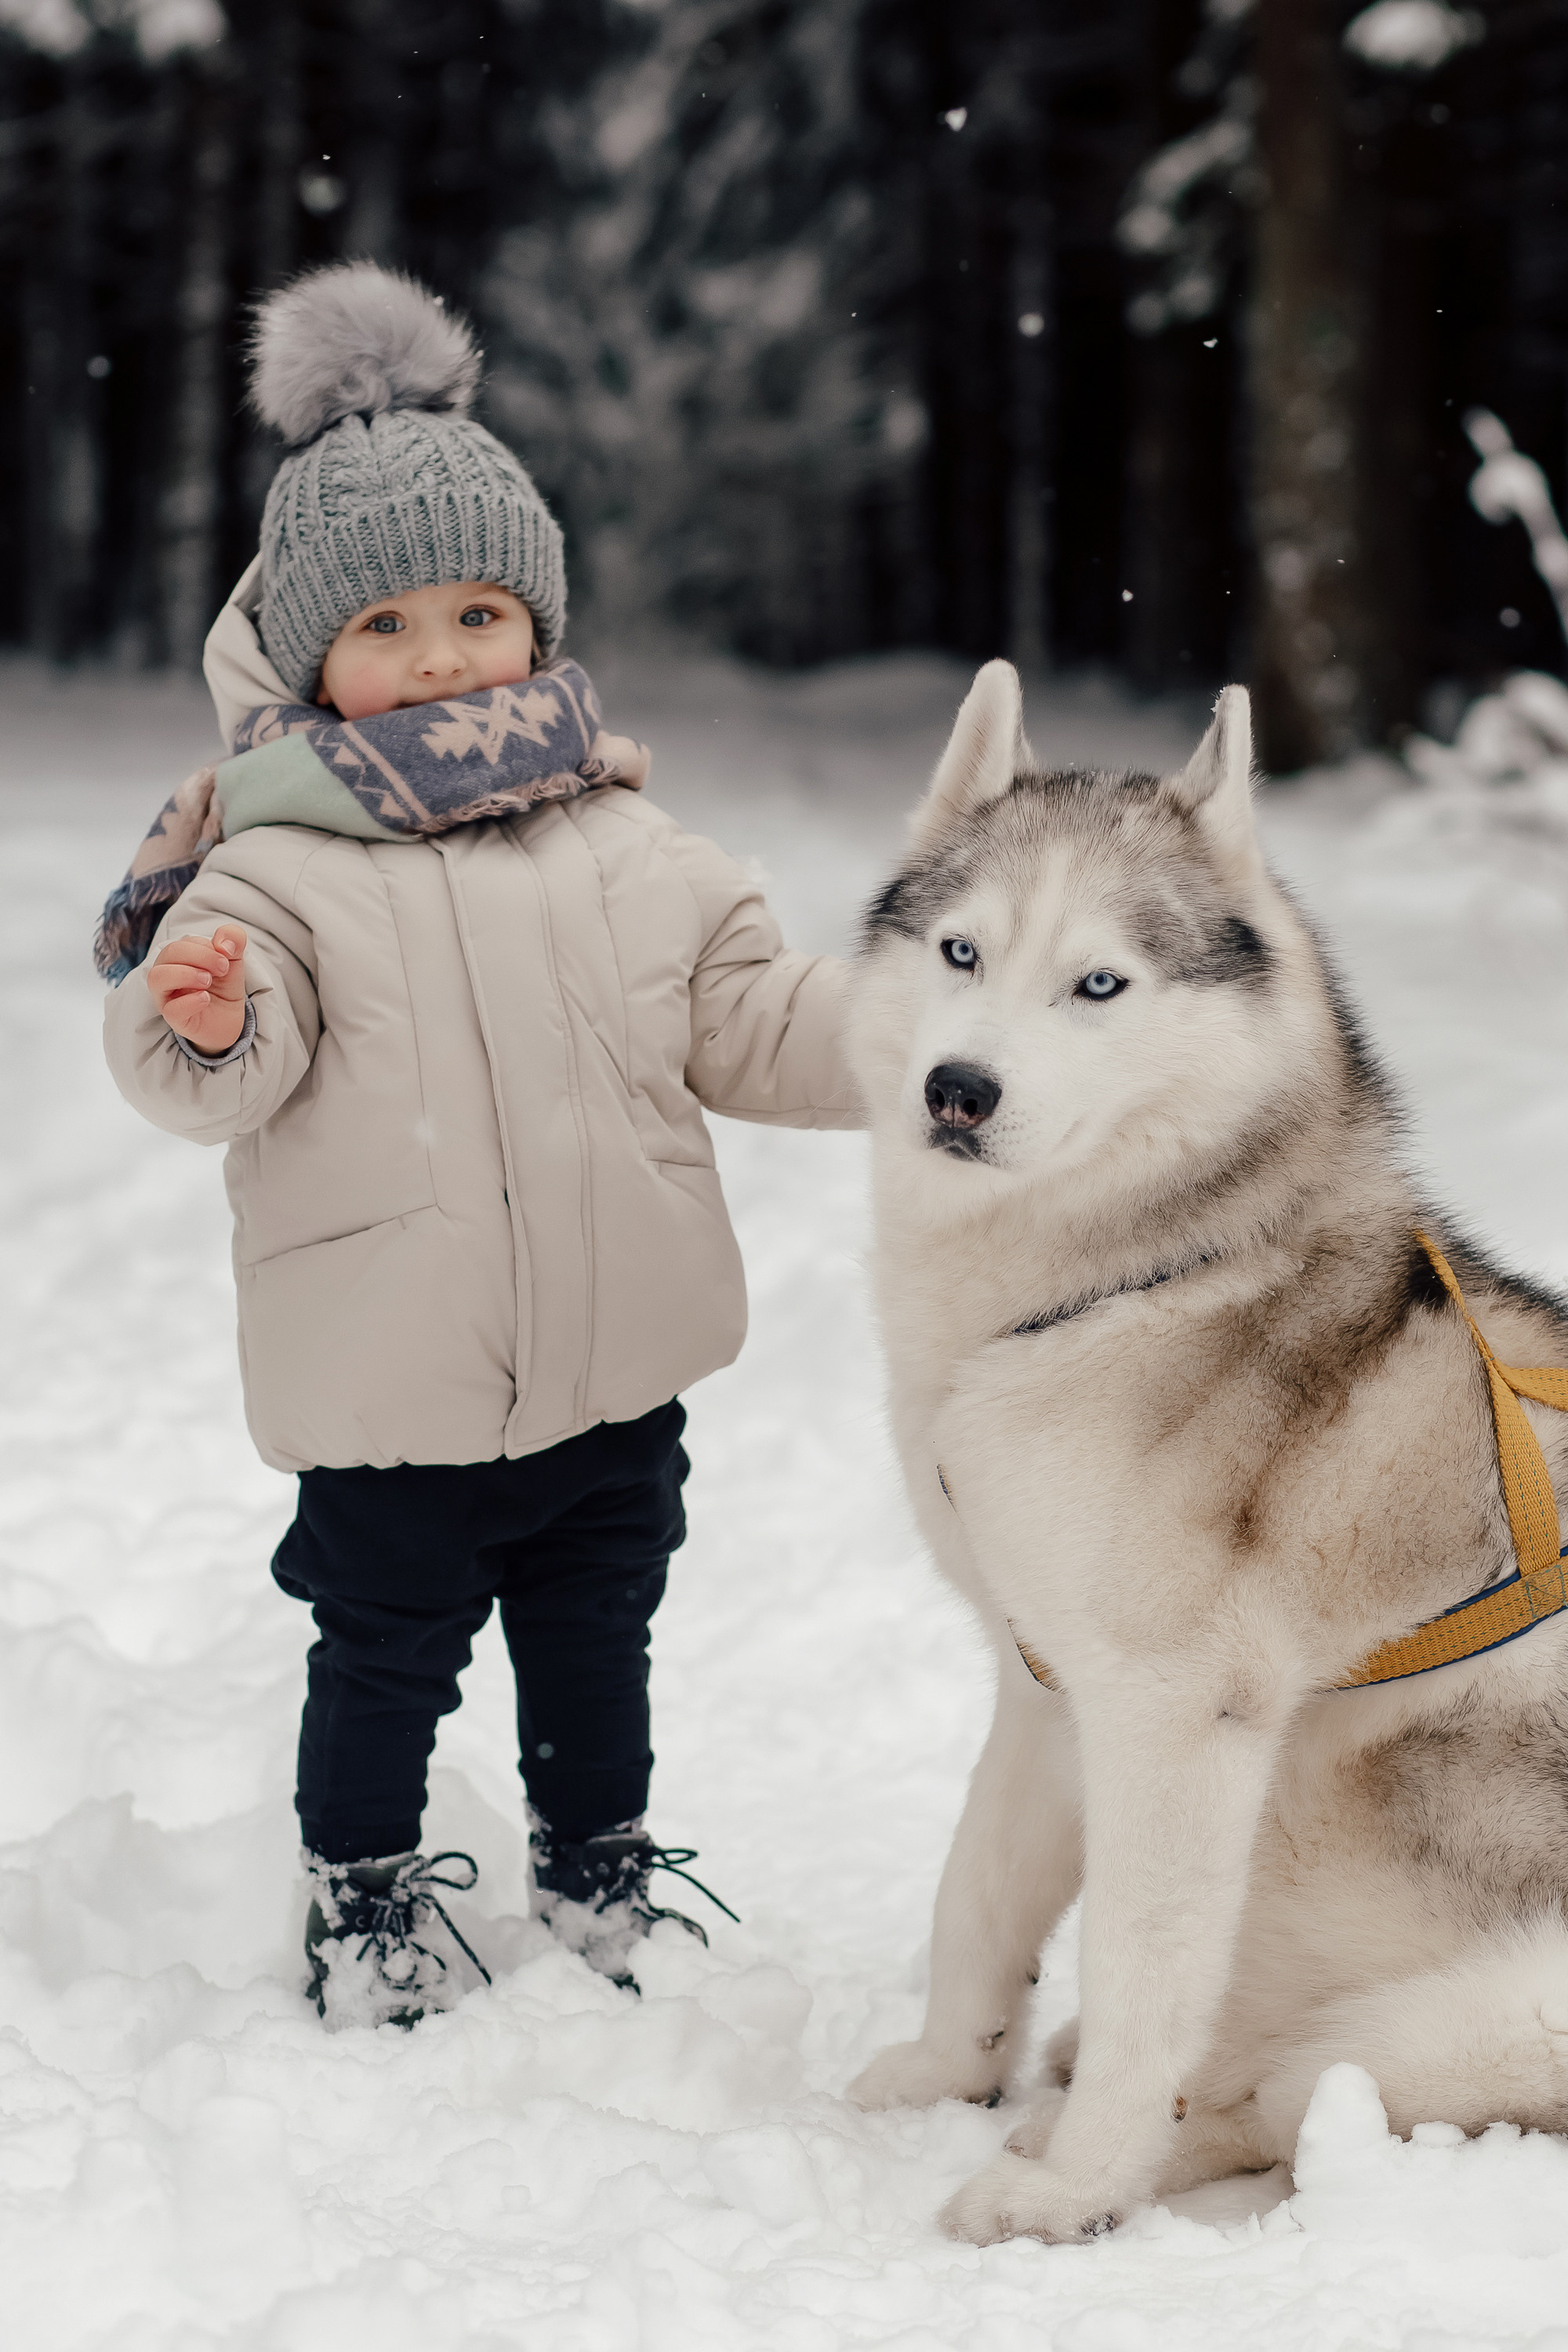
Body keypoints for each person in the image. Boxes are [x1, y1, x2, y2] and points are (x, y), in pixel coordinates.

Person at [100, 262, 858, 2026]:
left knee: (598, 1644)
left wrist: (916, 1041)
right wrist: (201, 1019)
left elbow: (751, 1014)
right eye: (386, 626)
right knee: (382, 1661)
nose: (441, 656)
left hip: (613, 1369)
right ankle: (364, 1899)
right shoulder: (275, 869)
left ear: (539, 624)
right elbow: (211, 1072)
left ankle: (598, 1870)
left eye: (477, 611)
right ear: (310, 656)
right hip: (397, 1395)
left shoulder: (628, 846)